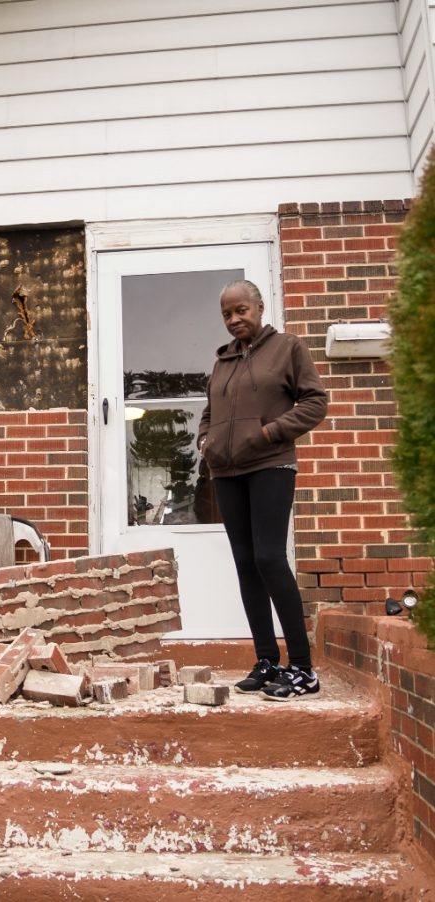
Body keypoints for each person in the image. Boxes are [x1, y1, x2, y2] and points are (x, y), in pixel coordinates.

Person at [198, 279, 327, 700]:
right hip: (228, 472)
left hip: (271, 464)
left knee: (270, 557)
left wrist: (270, 432)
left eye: (242, 310)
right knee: (246, 563)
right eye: (226, 314)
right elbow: (209, 413)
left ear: (259, 307)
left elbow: (314, 402)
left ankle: (303, 669)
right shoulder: (222, 362)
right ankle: (267, 659)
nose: (235, 319)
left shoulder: (288, 348)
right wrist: (206, 442)